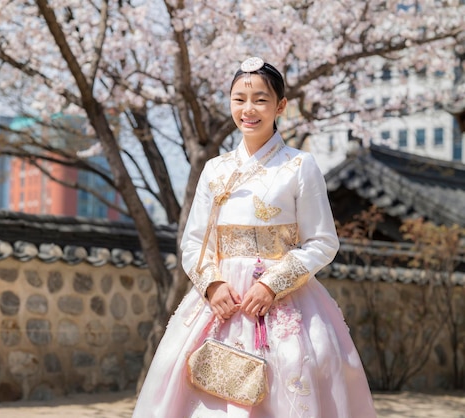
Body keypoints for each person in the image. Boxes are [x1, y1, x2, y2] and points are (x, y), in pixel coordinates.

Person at [132, 57, 377, 418]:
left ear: (280, 106)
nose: (249, 109)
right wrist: (212, 286)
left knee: (295, 375)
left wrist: (272, 285)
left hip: (282, 300)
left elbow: (323, 241)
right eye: (239, 99)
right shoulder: (215, 169)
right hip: (221, 302)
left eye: (261, 100)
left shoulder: (299, 166)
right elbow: (194, 242)